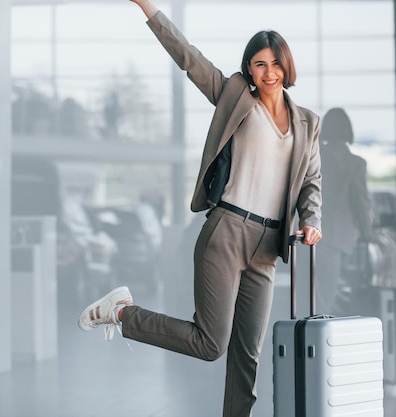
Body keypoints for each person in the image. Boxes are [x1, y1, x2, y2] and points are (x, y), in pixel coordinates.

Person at [77, 1, 322, 416]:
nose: (268, 72)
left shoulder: (308, 123)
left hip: (267, 248)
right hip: (226, 230)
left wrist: (311, 220)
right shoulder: (235, 96)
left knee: (248, 355)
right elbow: (188, 57)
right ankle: (122, 313)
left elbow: (311, 183)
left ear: (286, 66)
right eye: (258, 64)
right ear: (249, 68)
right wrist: (147, 8)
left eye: (275, 63)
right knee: (210, 344)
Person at [316, 107, 374, 314]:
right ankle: (321, 337)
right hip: (336, 237)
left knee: (306, 293)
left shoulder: (314, 157)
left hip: (307, 233)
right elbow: (361, 203)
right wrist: (367, 233)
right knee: (326, 293)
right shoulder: (355, 164)